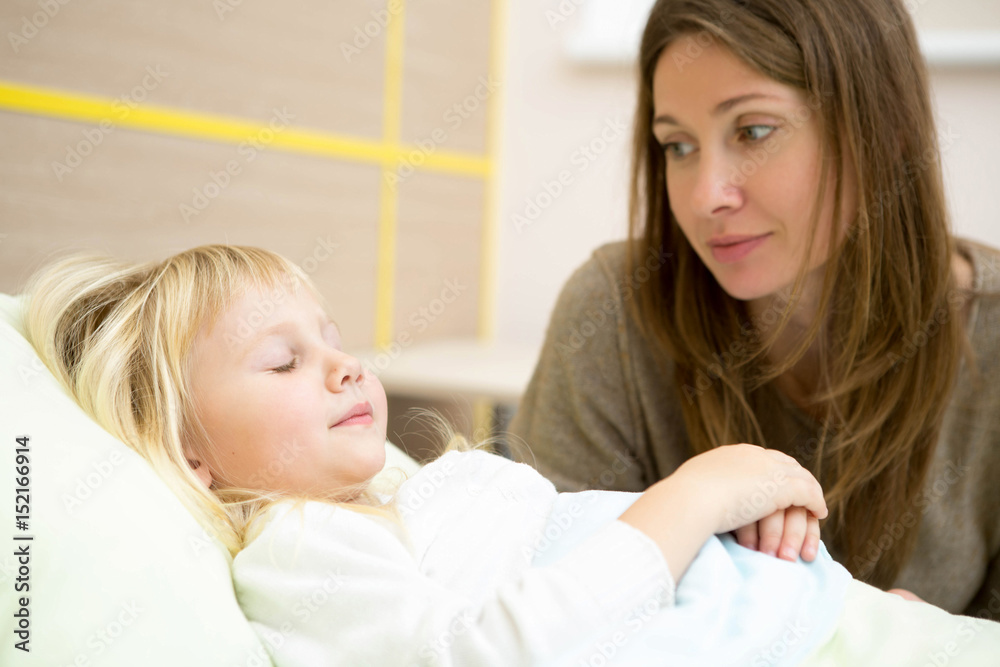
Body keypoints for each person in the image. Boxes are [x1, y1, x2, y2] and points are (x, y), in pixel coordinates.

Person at [22, 244, 1000, 665]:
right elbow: (483, 654)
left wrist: (778, 572)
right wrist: (696, 497)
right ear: (190, 451)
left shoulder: (386, 493)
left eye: (331, 337)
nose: (343, 366)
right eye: (283, 361)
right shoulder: (298, 549)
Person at [509, 0, 1000, 617]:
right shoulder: (609, 310)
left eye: (754, 132)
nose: (705, 196)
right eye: (677, 145)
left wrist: (941, 647)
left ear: (886, 130)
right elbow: (543, 616)